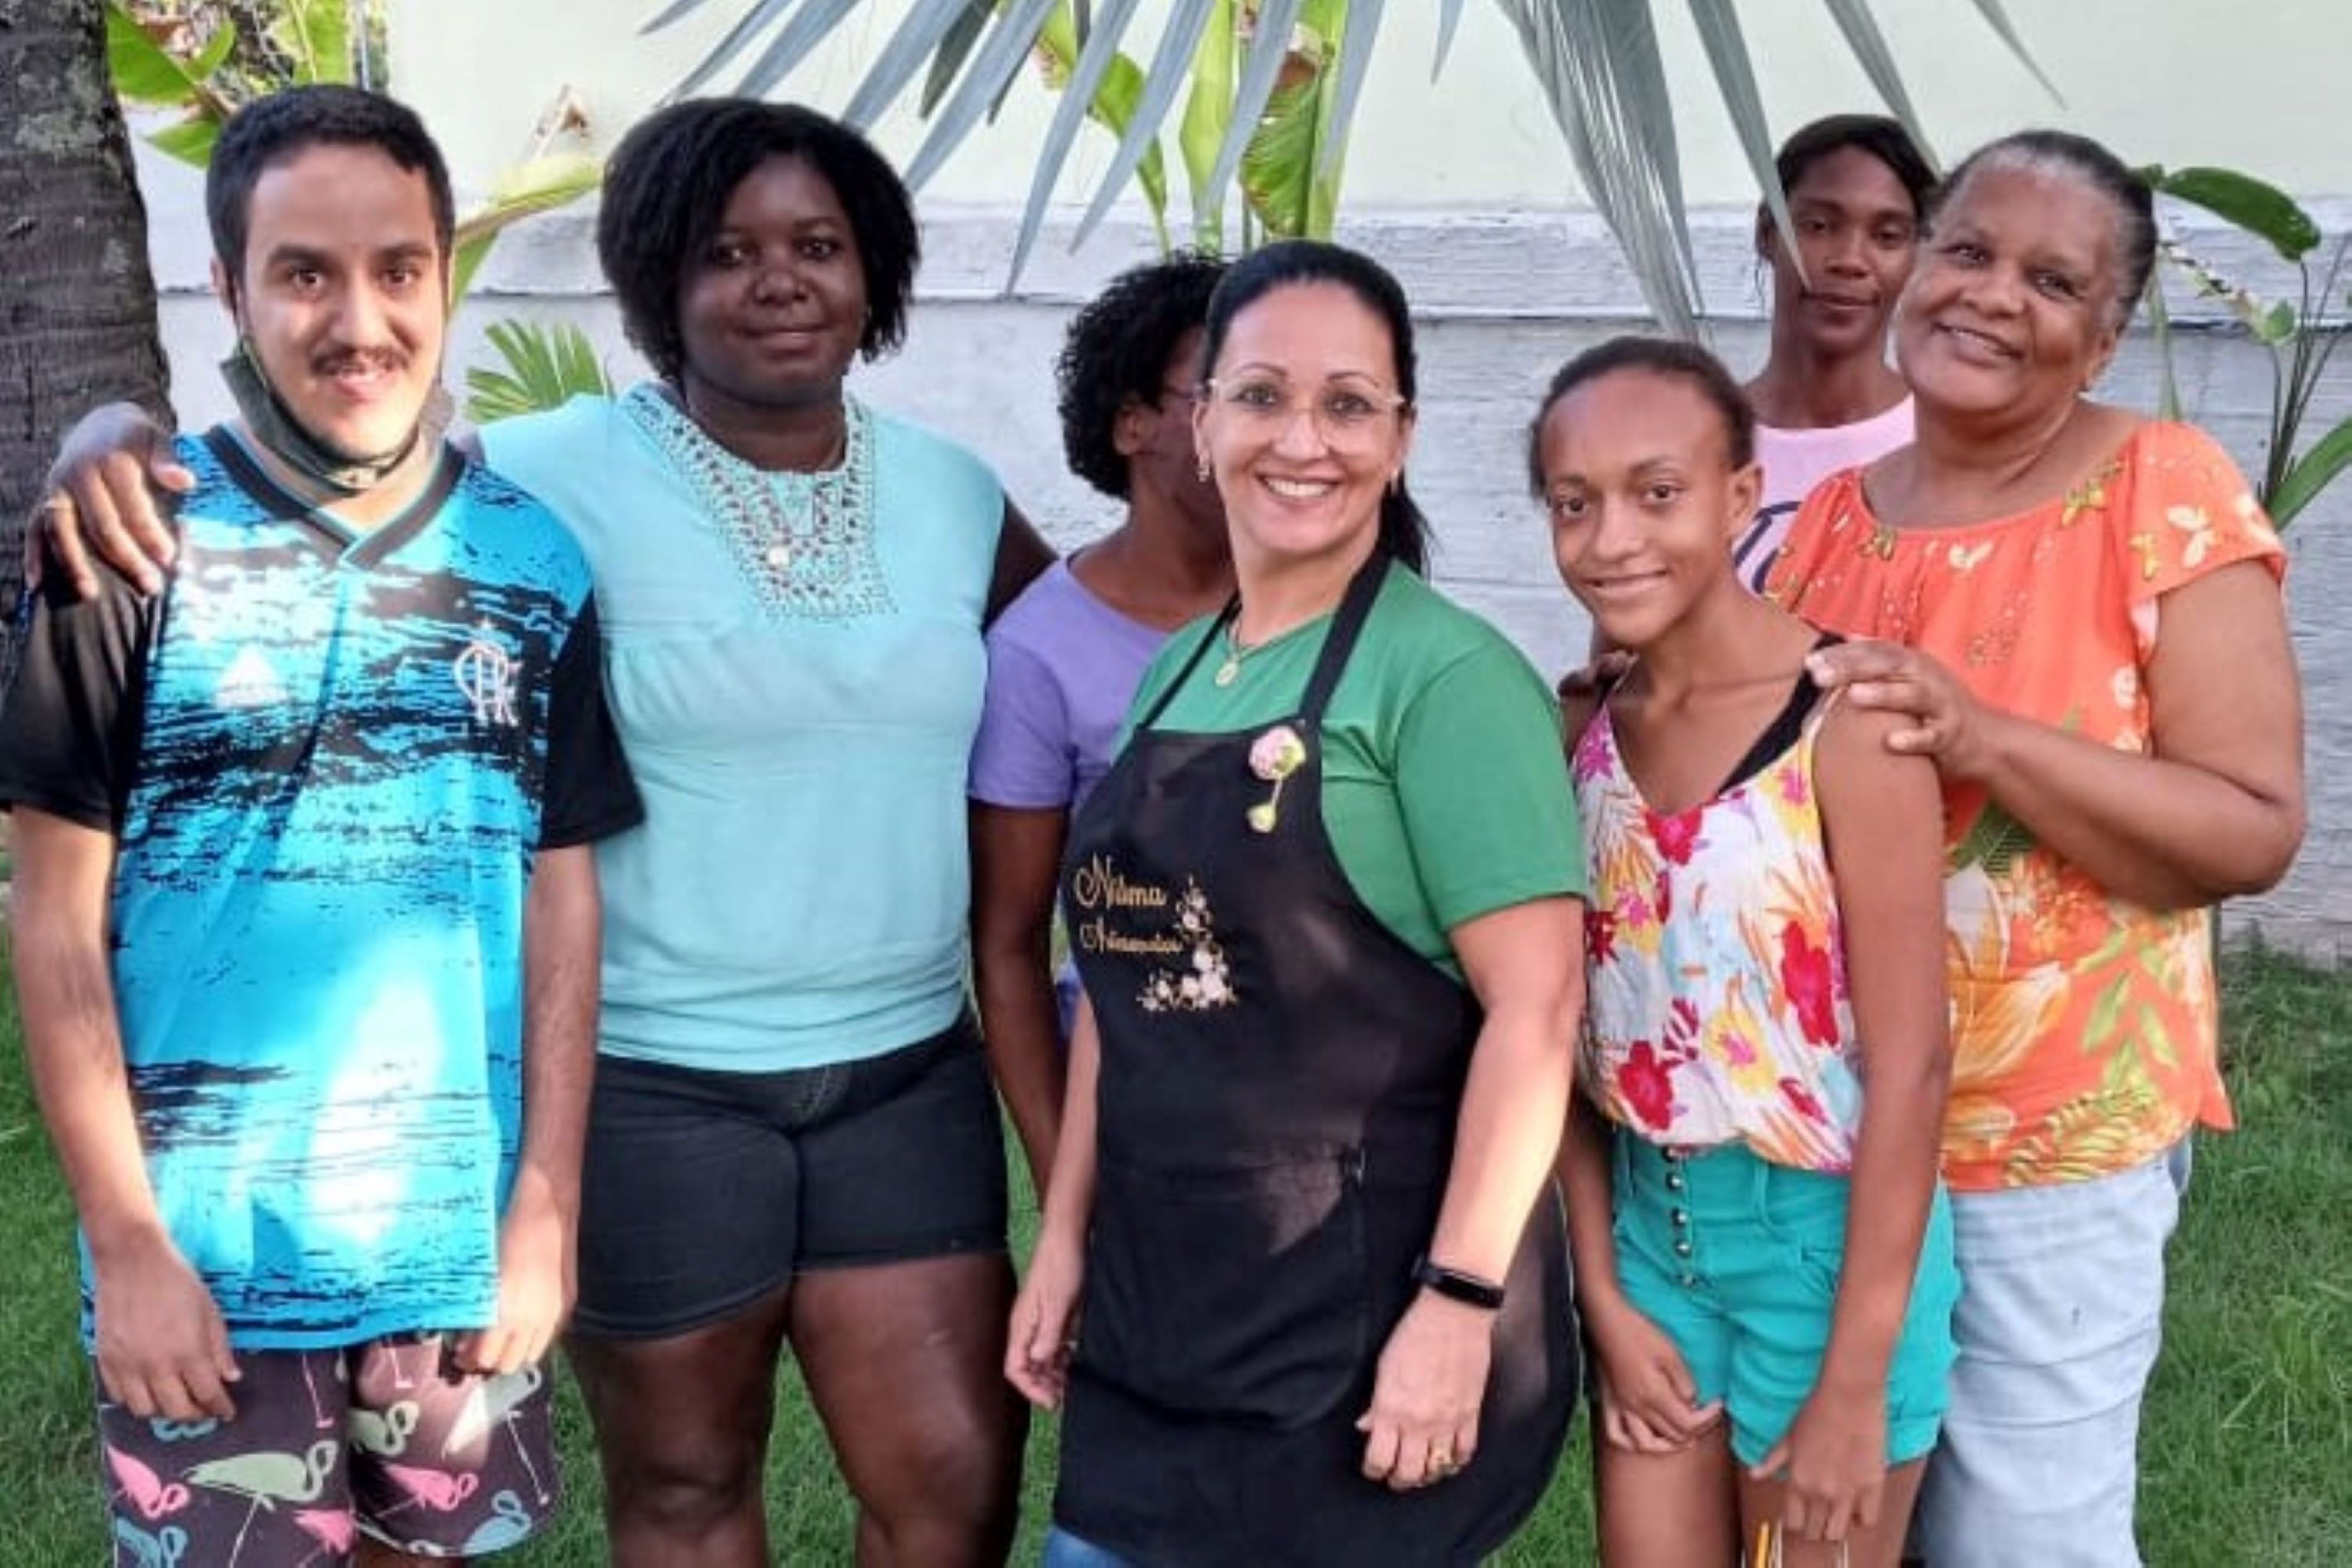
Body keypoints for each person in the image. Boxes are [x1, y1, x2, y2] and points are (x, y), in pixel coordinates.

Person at [35, 97, 1053, 1568]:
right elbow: (345, 465)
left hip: (898, 1074)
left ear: (875, 268)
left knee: (955, 1475)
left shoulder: (950, 495)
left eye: (819, 246)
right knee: (687, 1477)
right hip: (652, 1082)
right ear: (656, 277)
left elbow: (1091, 649)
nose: (778, 280)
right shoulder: (544, 479)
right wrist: (109, 435)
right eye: (726, 252)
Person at [0, 85, 637, 1563]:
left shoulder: (534, 563)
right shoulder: (128, 551)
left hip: (451, 1254)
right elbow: (54, 918)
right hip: (209, 1264)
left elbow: (560, 897)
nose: (360, 320)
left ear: (443, 275)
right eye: (304, 273)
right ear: (229, 289)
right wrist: (128, 1241)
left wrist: (545, 1204)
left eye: (398, 268)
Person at [1769, 129, 2306, 1568]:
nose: (1992, 295)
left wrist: (1983, 737)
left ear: (2104, 336)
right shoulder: (1828, 527)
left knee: (2019, 1534)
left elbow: (2250, 826)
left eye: (2052, 281)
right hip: (1835, 1132)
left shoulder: (2158, 489)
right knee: (1845, 1518)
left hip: (2046, 1142)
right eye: (1965, 251)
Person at [1005, 240, 1587, 1567]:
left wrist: (1458, 1301)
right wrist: (1064, 1238)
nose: (1301, 440)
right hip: (1156, 1322)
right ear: (1202, 424)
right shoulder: (1174, 673)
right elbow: (1127, 993)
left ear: (1400, 437)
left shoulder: (1446, 682)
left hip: (1357, 1332)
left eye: (1346, 404)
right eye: (1260, 396)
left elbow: (1537, 1010)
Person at [1531, 337, 1957, 1568]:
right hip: (1650, 1240)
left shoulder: (1848, 729)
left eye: (1657, 492)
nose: (1612, 539)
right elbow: (1548, 1030)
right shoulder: (1580, 732)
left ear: (1739, 496)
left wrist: (1855, 1382)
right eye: (1573, 502)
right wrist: (1601, 1293)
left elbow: (1914, 1068)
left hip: (1822, 1254)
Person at [968, 251, 1231, 1194]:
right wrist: (1062, 1183)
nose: (1272, 431)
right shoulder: (1039, 653)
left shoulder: (1339, 613)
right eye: (1228, 396)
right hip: (1139, 1109)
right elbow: (1009, 945)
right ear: (1132, 423)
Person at [1734, 115, 1936, 593]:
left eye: (1888, 236)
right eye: (1819, 226)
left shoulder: (1947, 445)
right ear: (1767, 231)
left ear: (1918, 256)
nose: (1849, 259)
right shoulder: (1695, 439)